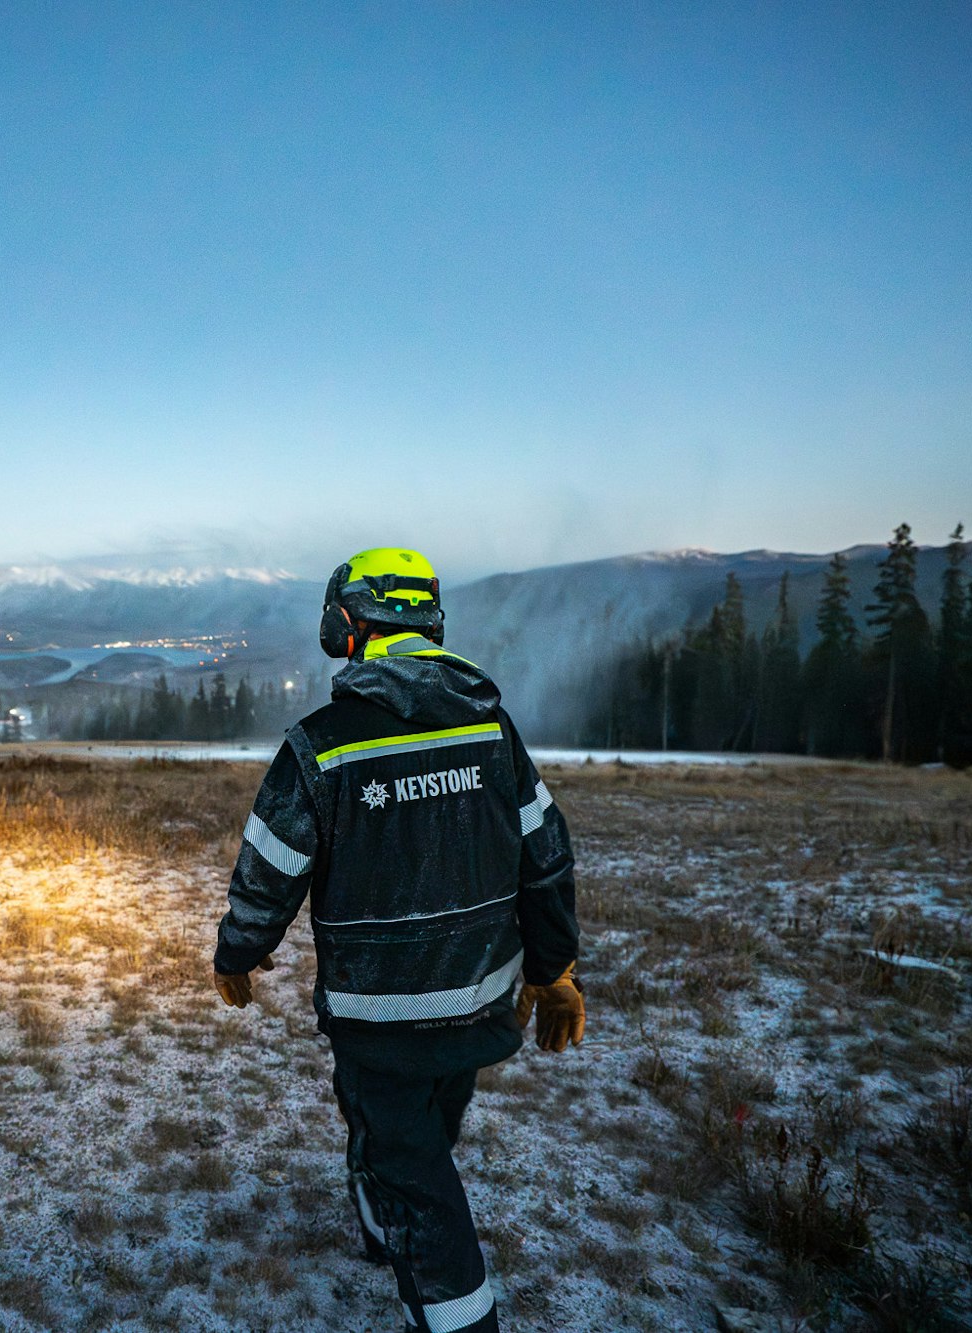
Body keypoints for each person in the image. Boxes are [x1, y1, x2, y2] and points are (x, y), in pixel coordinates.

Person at [212, 547, 583, 1333]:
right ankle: (384, 1215)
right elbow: (546, 857)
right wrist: (554, 971)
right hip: (480, 1004)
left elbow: (269, 869)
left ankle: (452, 1305)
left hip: (378, 1022)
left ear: (346, 627)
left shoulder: (322, 743)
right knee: (424, 1127)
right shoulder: (493, 729)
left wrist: (238, 950)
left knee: (416, 1175)